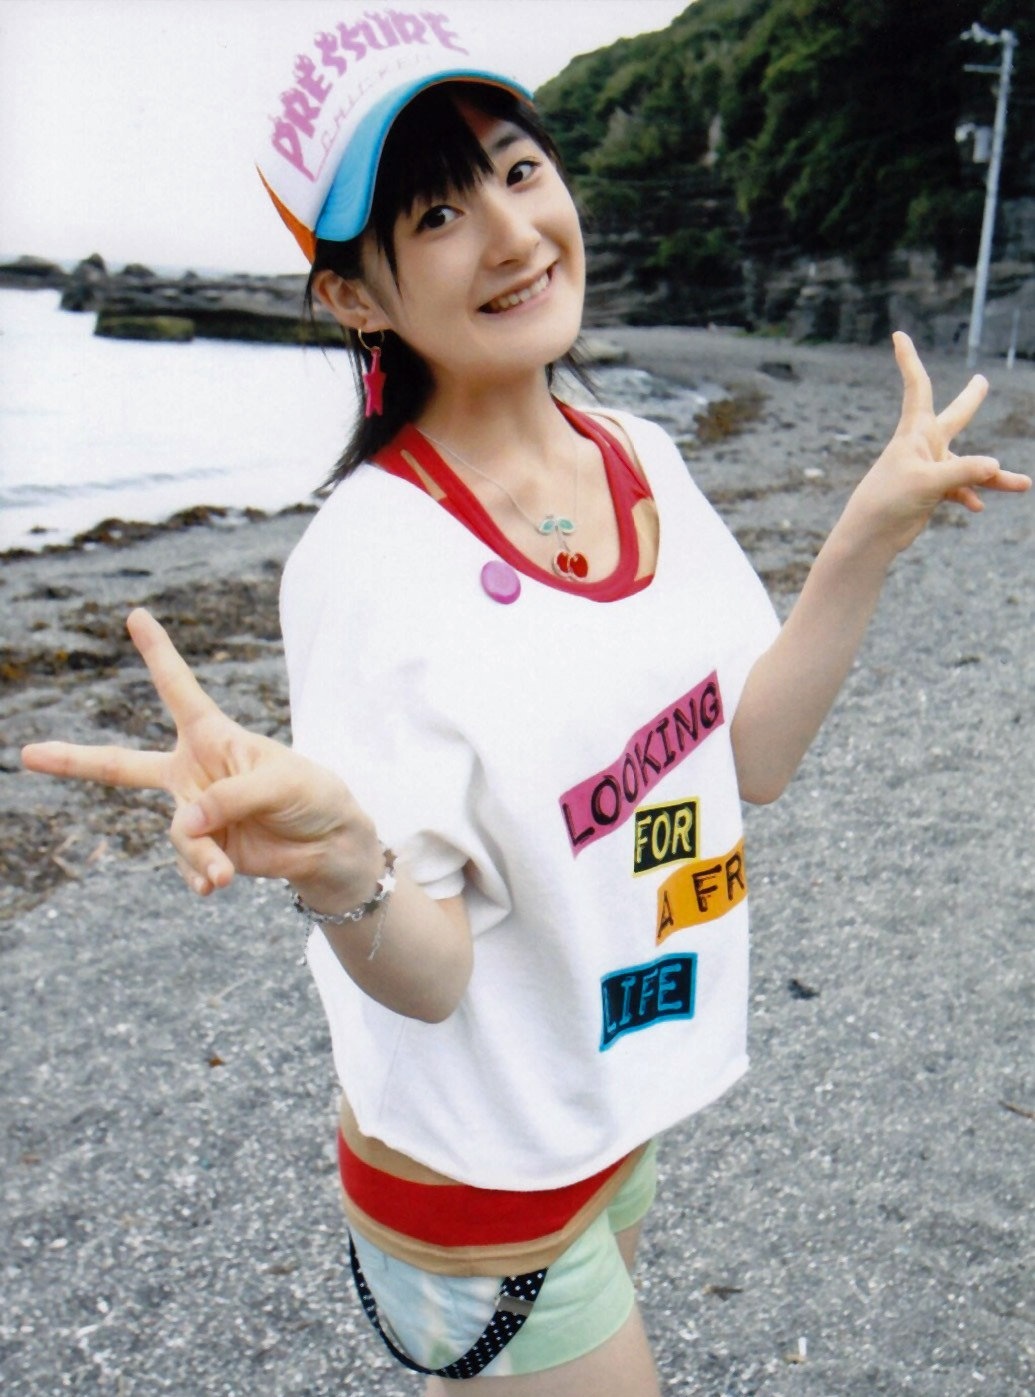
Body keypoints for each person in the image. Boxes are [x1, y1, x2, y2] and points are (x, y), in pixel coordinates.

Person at [21, 8, 1030, 1394]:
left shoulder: (642, 457)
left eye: (517, 169)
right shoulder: (369, 564)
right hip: (478, 1178)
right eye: (437, 213)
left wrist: (864, 535)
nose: (511, 233)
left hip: (606, 1109)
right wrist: (341, 863)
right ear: (354, 297)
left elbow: (749, 756)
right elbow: (429, 972)